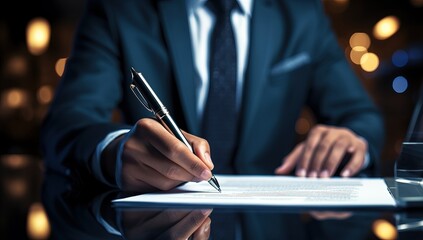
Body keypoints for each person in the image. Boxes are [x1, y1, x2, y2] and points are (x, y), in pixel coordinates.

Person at [41, 0, 384, 192]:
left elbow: (362, 117)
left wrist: (353, 140)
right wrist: (115, 151)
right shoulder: (119, 11)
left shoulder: (302, 15)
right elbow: (67, 124)